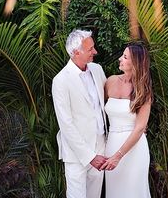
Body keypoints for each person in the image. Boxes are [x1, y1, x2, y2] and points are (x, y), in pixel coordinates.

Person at [52, 29, 107, 198]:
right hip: (76, 153)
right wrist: (89, 156)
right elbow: (66, 124)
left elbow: (109, 103)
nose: (95, 52)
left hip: (101, 146)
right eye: (90, 49)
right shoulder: (60, 81)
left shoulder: (97, 70)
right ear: (76, 52)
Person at [101, 42, 152, 197]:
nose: (119, 59)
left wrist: (118, 156)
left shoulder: (143, 90)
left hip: (134, 148)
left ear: (135, 63)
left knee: (134, 192)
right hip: (111, 144)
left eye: (124, 57)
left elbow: (140, 127)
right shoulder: (110, 81)